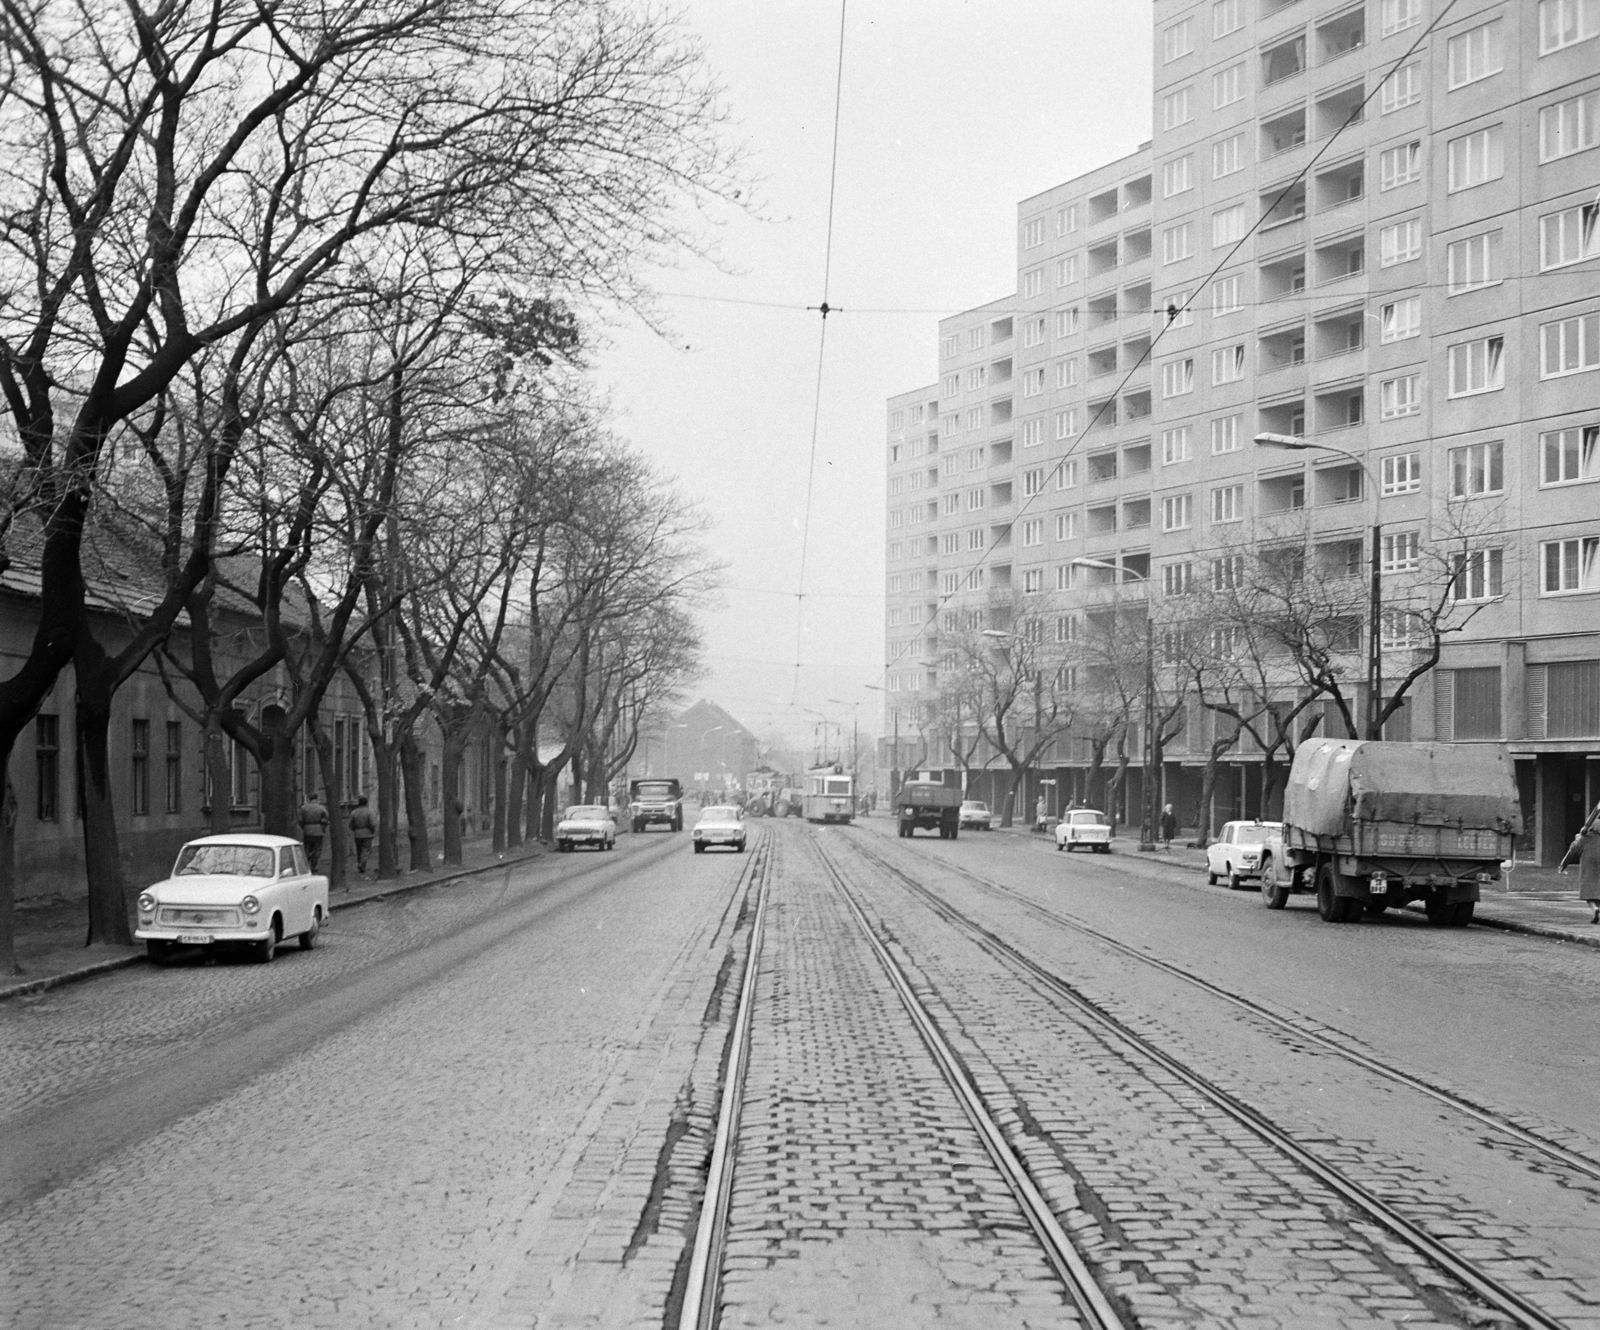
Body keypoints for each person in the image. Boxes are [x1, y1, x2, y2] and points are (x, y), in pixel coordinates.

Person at [1559, 799, 1600, 924]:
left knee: (1589, 893)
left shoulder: (1585, 838)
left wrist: (1564, 864)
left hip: (1589, 867)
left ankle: (1595, 909)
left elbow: (1572, 851)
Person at [297, 790, 330, 871]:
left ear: (309, 798)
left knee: (306, 848)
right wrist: (323, 827)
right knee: (317, 849)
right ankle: (313, 866)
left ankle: (305, 865)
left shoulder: (303, 808)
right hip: (318, 831)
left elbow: (300, 820)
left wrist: (304, 827)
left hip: (307, 830)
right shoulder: (321, 808)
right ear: (317, 798)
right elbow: (326, 818)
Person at [349, 794, 377, 876]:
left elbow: (350, 824)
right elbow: (372, 824)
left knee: (359, 850)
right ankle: (362, 864)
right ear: (366, 803)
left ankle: (360, 865)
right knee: (366, 850)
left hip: (357, 834)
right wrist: (372, 831)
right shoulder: (369, 812)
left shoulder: (354, 812)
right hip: (367, 833)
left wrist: (356, 829)